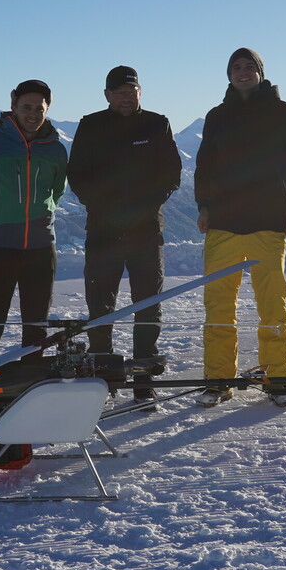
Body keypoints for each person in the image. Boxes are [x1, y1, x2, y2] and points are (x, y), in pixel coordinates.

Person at [192, 47, 286, 407]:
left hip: (268, 224)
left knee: (272, 307)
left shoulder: (282, 112)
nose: (243, 72)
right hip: (223, 225)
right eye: (236, 67)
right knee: (218, 308)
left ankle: (278, 379)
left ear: (261, 73)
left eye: (250, 67)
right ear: (228, 74)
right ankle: (217, 382)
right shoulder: (217, 116)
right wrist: (203, 206)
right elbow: (204, 167)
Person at [67, 65, 182, 401]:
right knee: (100, 306)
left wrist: (143, 209)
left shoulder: (156, 124)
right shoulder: (91, 125)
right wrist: (102, 208)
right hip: (103, 232)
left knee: (148, 305)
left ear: (140, 93)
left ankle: (144, 384)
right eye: (119, 93)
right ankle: (104, 381)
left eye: (131, 92)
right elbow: (77, 174)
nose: (126, 98)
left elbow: (171, 172)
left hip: (146, 231)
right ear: (107, 96)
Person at [0, 79, 68, 366]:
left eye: (39, 108)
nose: (33, 113)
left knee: (37, 326)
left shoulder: (56, 149)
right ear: (13, 107)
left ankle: (29, 385)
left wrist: (40, 219)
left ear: (47, 110)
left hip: (41, 249)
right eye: (26, 107)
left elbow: (57, 191)